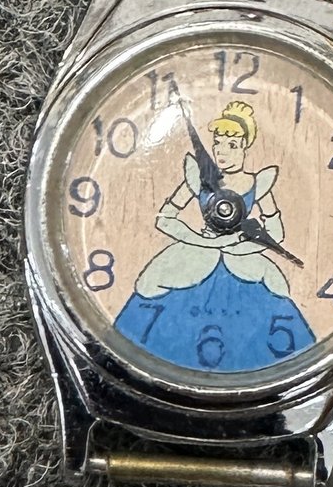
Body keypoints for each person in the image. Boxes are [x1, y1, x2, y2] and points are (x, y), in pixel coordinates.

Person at [114, 98, 315, 372]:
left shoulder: (258, 183)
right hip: (195, 256)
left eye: (231, 145)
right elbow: (165, 219)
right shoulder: (199, 178)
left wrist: (240, 245)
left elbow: (275, 233)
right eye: (218, 143)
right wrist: (201, 241)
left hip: (242, 261)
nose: (221, 151)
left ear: (244, 146)